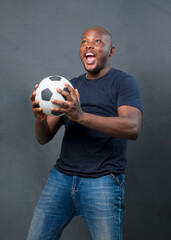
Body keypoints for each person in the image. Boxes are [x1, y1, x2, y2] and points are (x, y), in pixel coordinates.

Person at [28, 26, 142, 240]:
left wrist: (80, 116)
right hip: (61, 179)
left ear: (112, 51)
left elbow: (132, 128)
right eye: (84, 41)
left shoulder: (123, 83)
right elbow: (43, 138)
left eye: (97, 41)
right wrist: (40, 119)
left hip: (103, 182)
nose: (89, 45)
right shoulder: (67, 87)